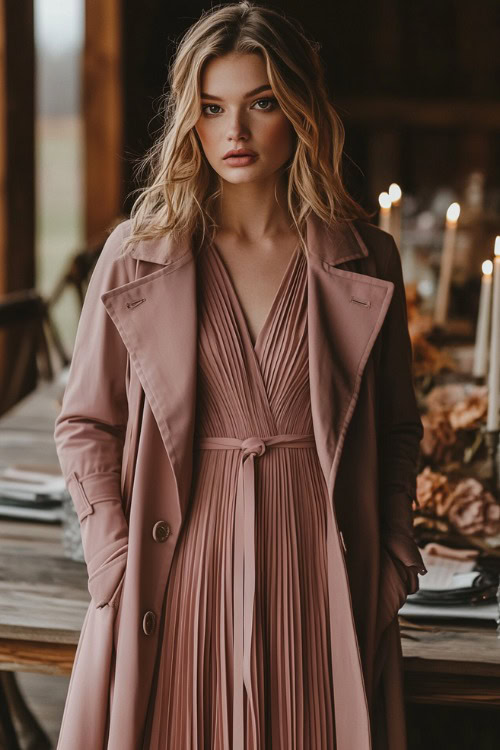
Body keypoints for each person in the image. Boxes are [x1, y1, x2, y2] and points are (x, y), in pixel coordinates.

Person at [53, 2, 427, 749]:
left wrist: (391, 554)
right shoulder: (137, 253)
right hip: (176, 566)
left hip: (317, 572)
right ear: (190, 118)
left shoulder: (366, 257)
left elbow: (397, 429)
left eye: (261, 104)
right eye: (213, 108)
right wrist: (113, 558)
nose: (235, 133)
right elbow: (85, 423)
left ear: (300, 111)